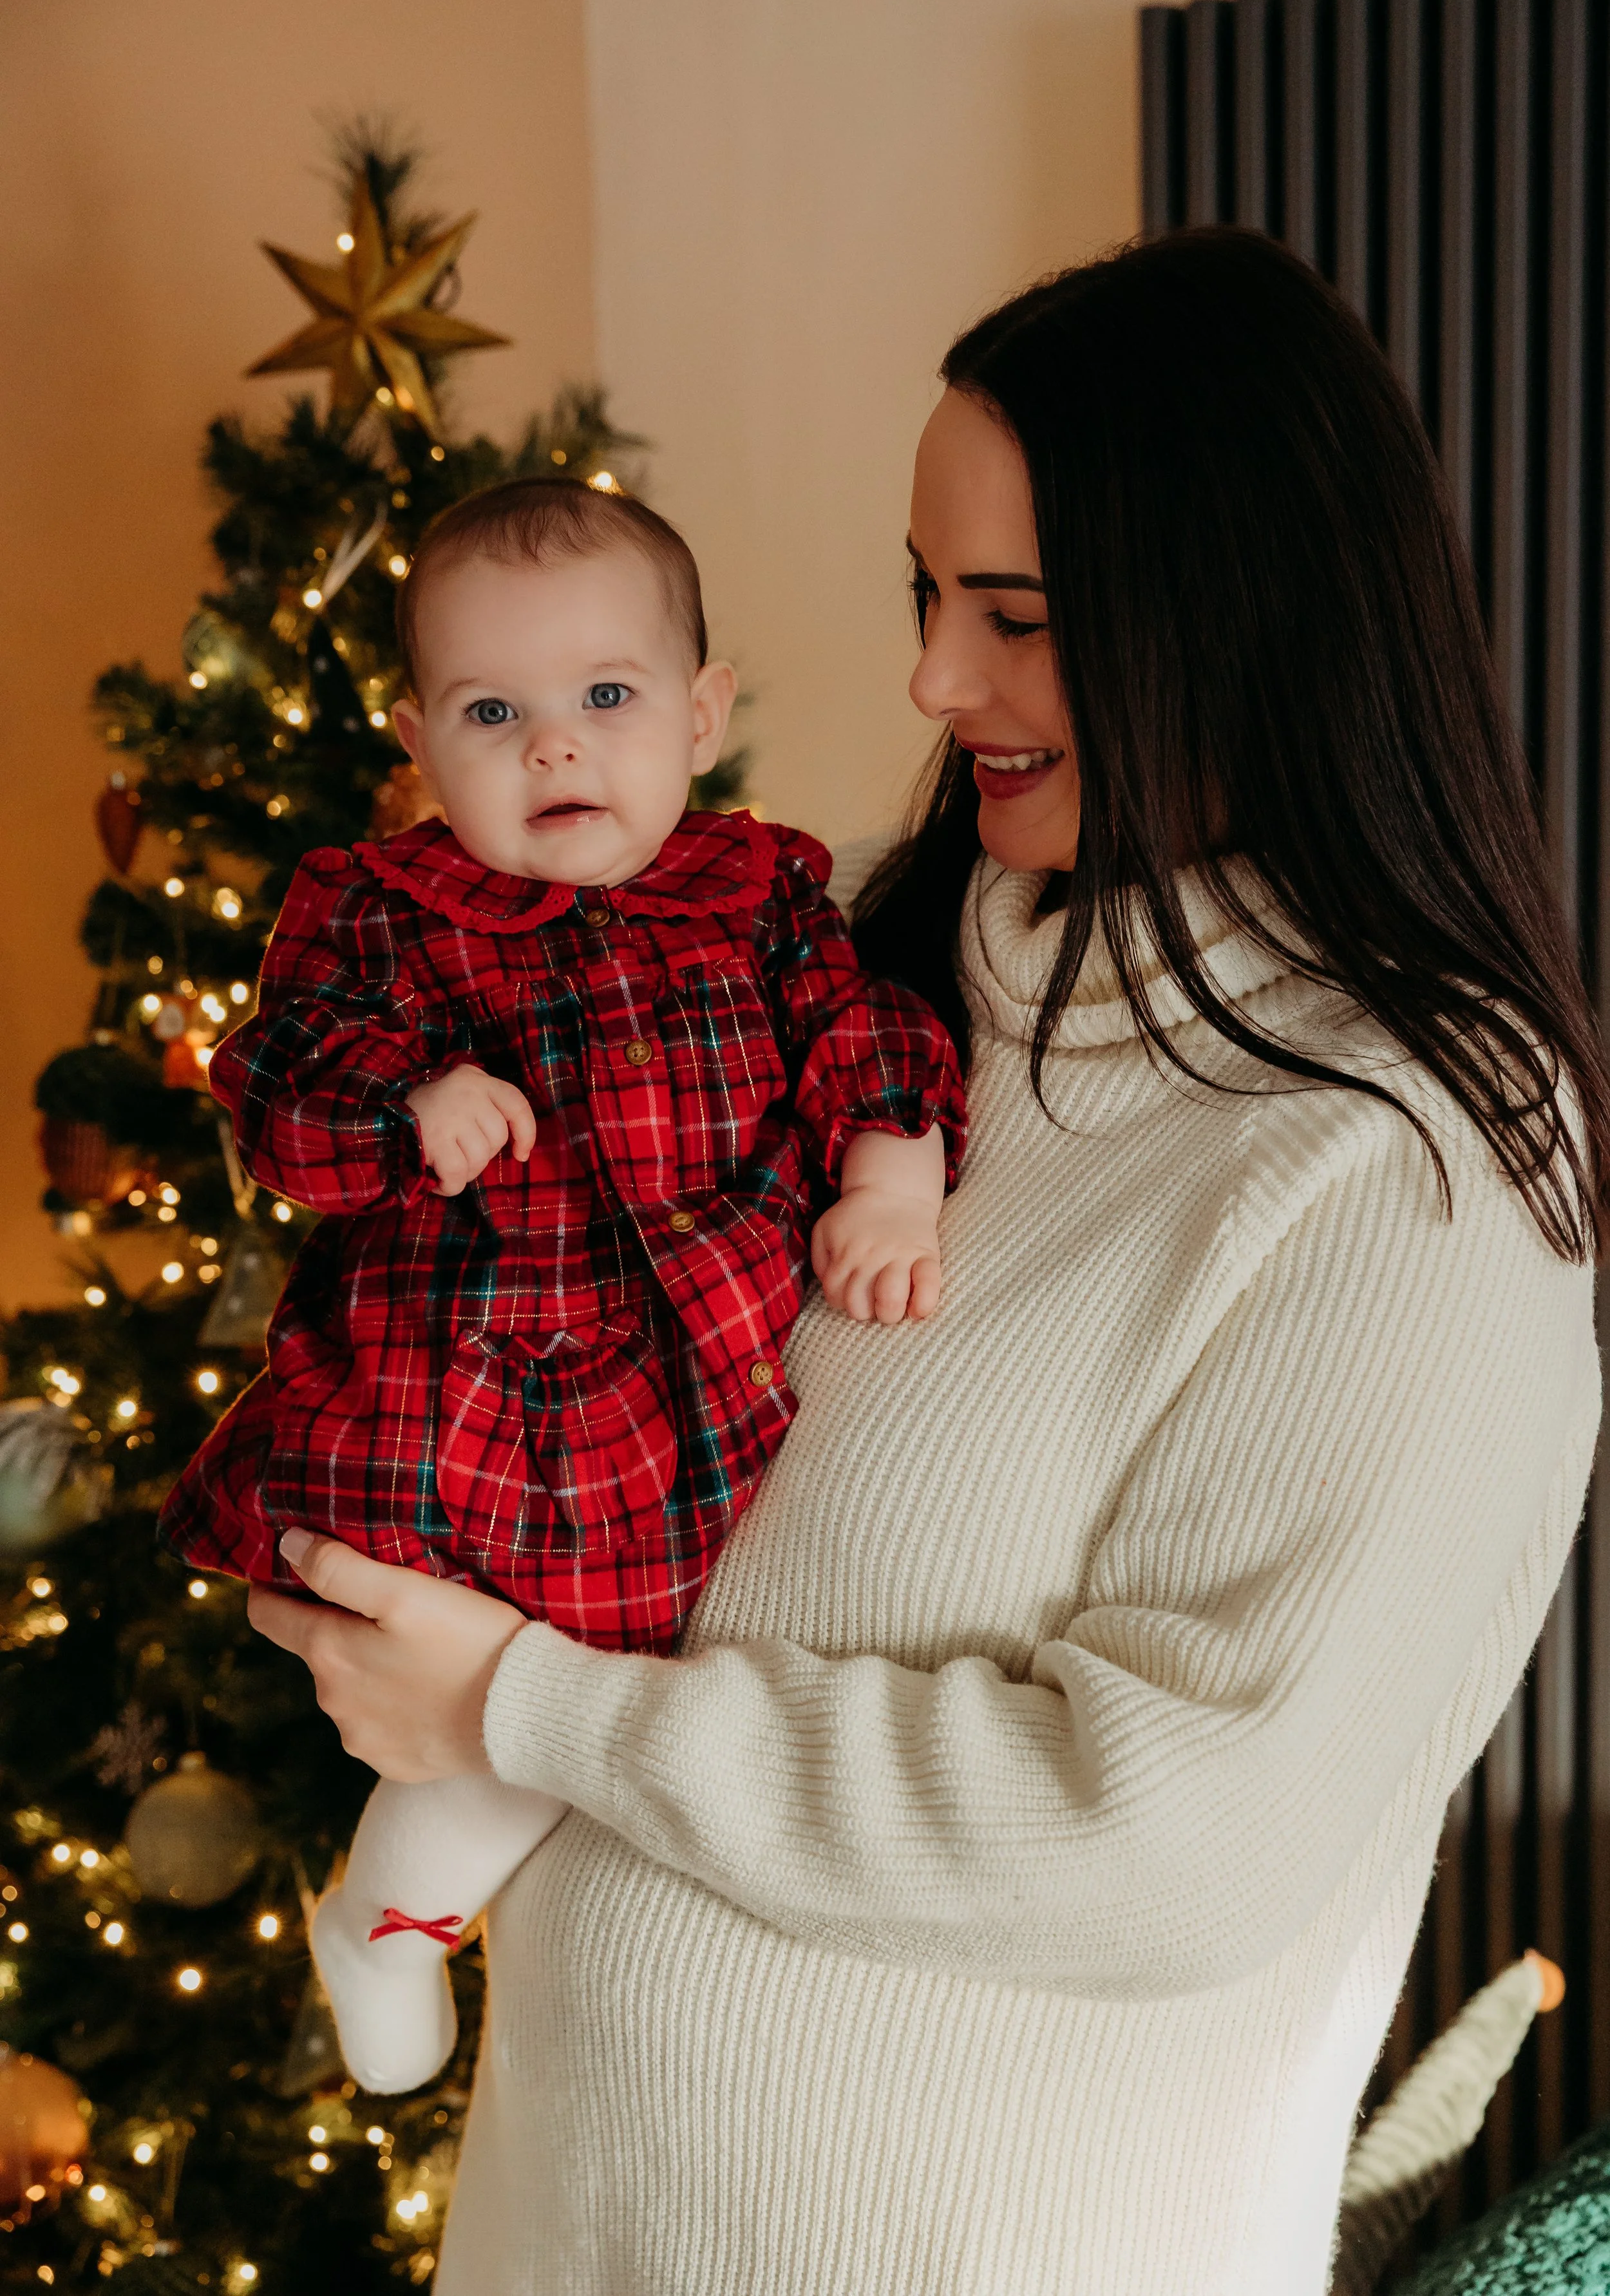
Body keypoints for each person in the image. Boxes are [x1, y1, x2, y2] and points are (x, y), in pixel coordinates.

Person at [247, 230, 1607, 2296]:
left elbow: (1165, 1829)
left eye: (1019, 616)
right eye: (922, 591)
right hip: (570, 2228)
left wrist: (536, 1706)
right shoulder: (843, 967)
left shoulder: (1407, 1164)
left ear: (1230, 619)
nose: (930, 681)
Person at [160, 477, 963, 2094]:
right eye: (492, 710)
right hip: (469, 1390)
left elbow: (858, 1037)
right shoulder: (381, 914)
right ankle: (392, 1913)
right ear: (415, 737)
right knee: (497, 1660)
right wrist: (407, 1105)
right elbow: (281, 1084)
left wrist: (888, 1166)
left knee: (613, 1687)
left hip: (693, 1382)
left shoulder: (761, 899)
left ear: (699, 711)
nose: (555, 747)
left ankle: (426, 1915)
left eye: (606, 697)